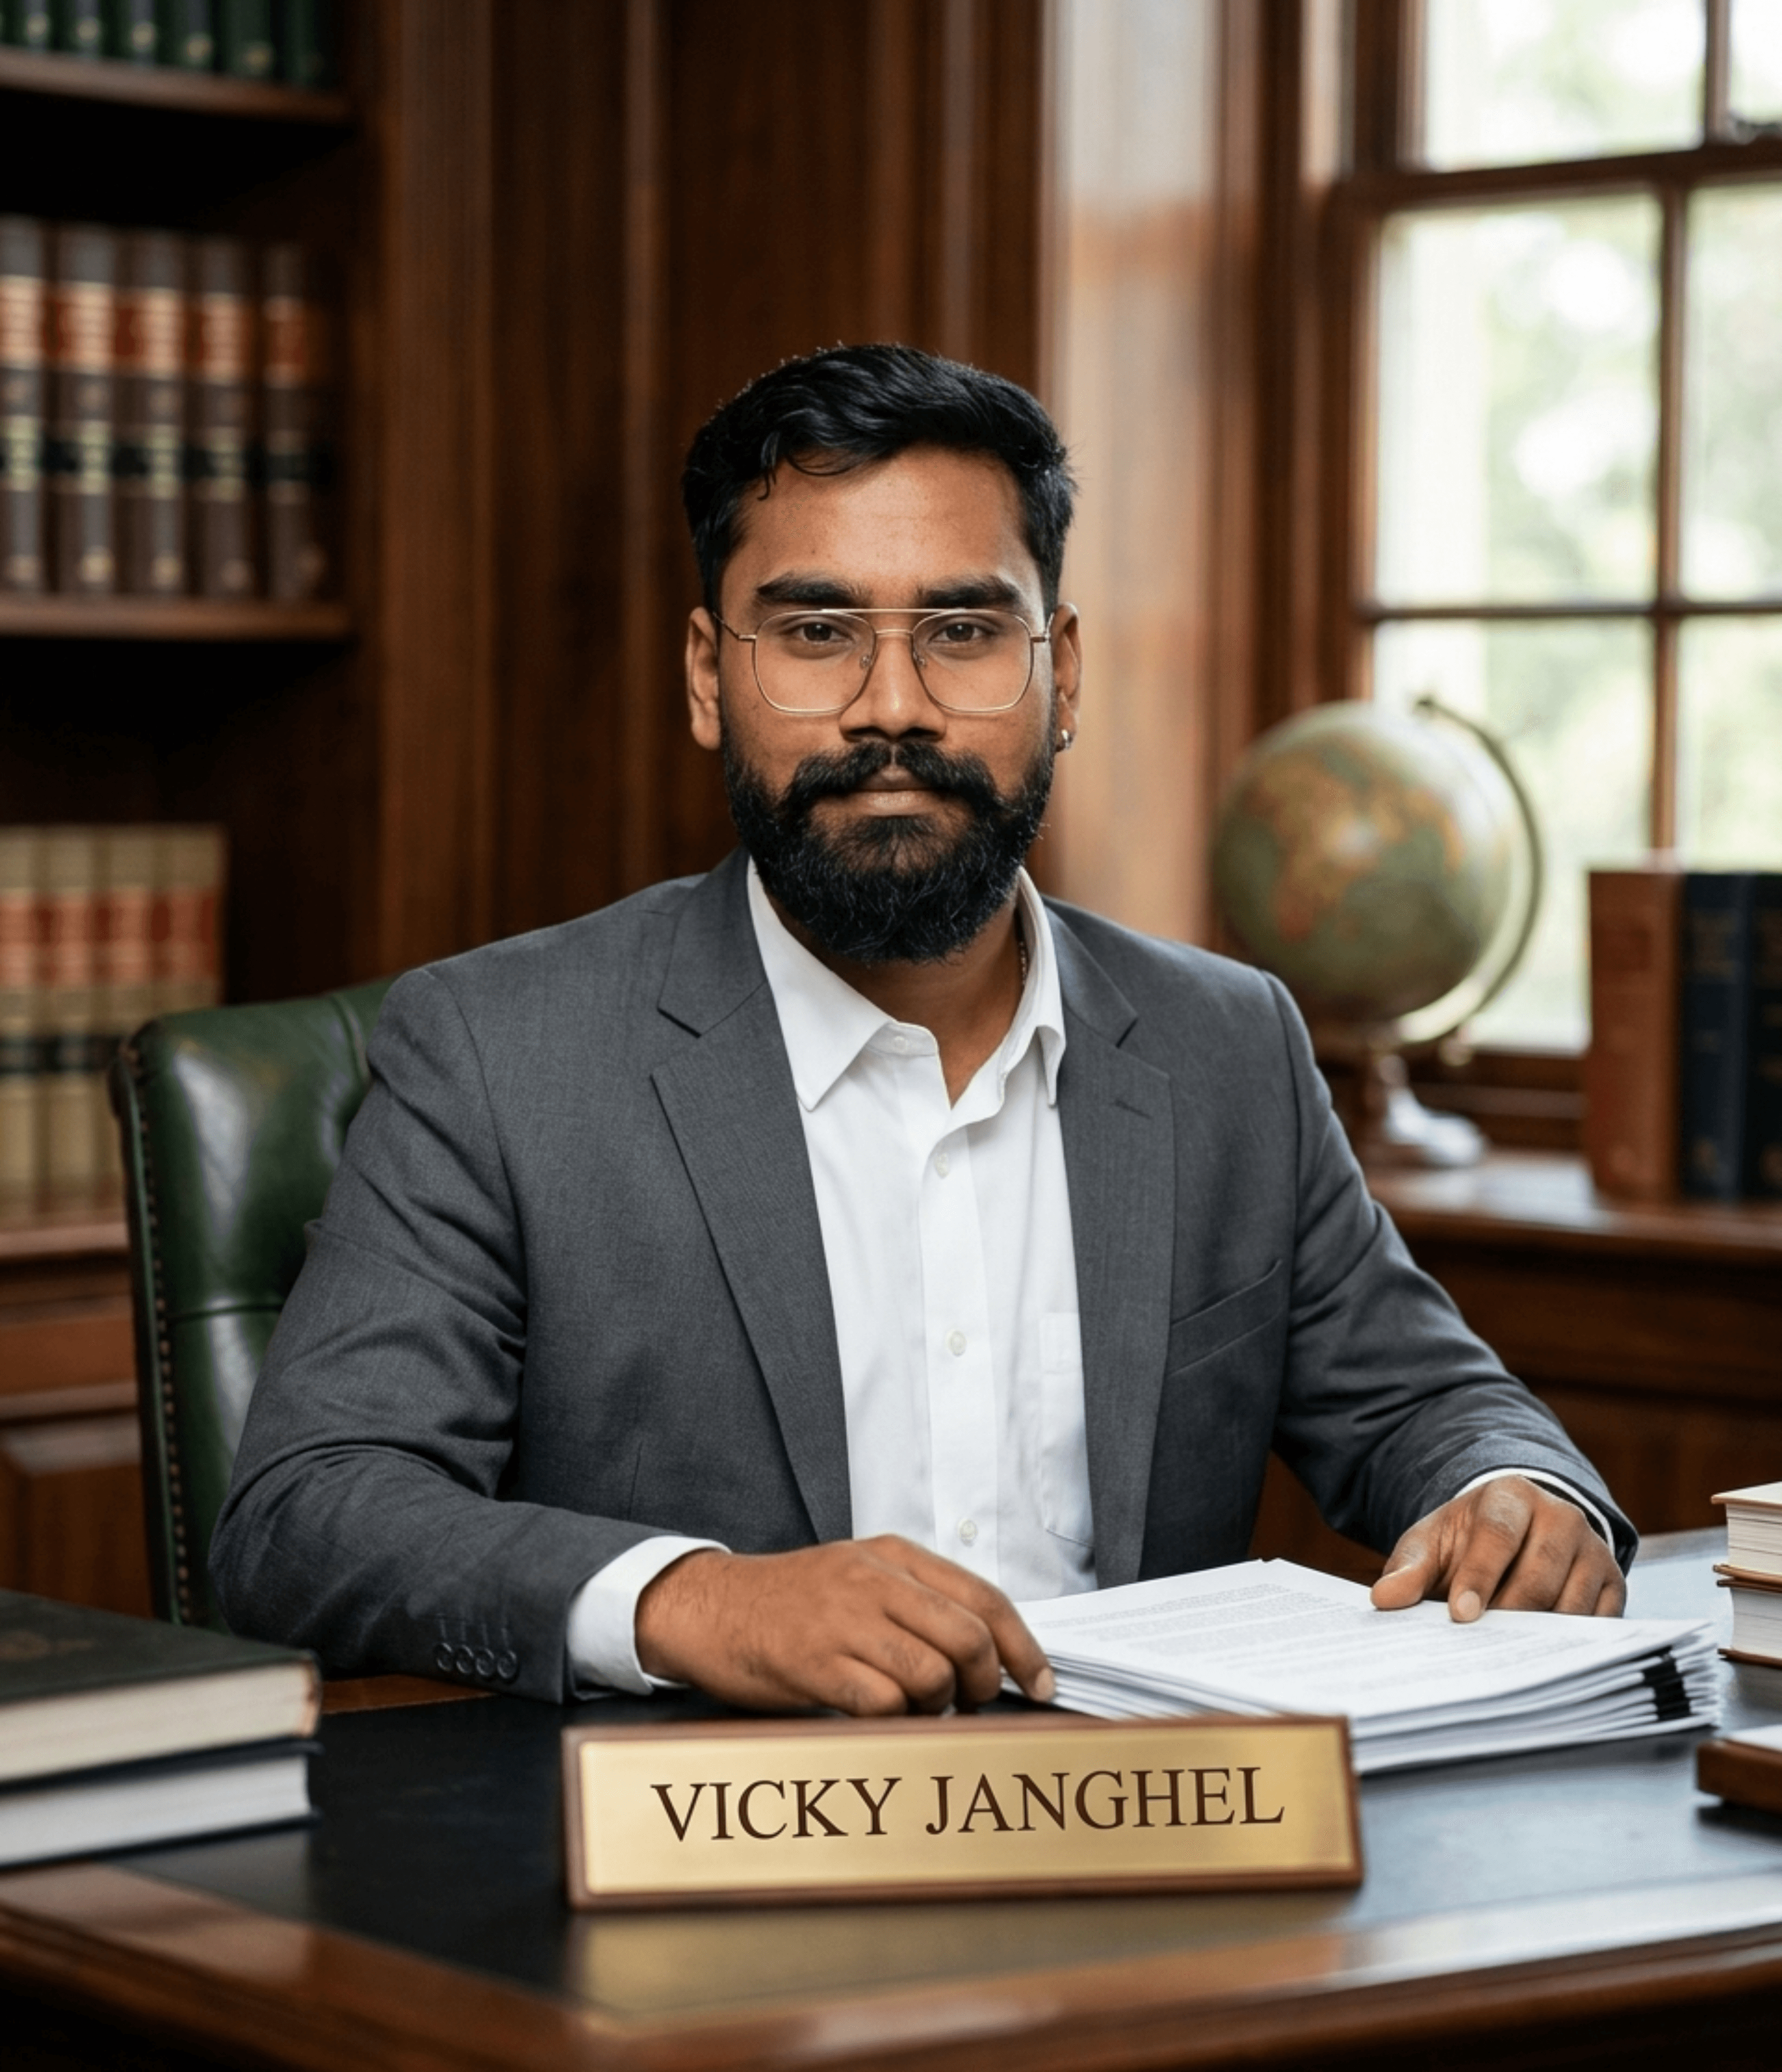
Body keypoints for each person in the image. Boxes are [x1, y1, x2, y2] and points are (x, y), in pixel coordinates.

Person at [210, 345, 1631, 1715]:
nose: (892, 708)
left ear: (1060, 675)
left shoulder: (1226, 1047)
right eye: (818, 632)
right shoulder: (500, 1053)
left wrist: (1513, 1495)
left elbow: (1428, 1406)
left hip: (1144, 1875)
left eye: (962, 632)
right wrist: (695, 1601)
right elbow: (308, 1512)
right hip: (703, 1886)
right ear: (711, 677)